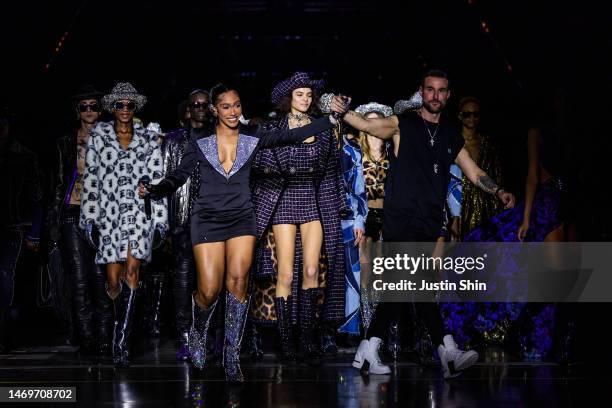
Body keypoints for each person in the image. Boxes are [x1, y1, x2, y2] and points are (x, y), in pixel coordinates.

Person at [140, 83, 346, 382]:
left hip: (241, 218)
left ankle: (231, 355)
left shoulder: (252, 137)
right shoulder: (200, 140)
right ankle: (198, 333)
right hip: (207, 219)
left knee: (237, 283)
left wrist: (332, 119)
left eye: (237, 105)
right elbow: (179, 176)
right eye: (226, 107)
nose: (234, 111)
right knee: (209, 290)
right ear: (214, 110)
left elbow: (292, 134)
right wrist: (154, 190)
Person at [336, 69, 515, 378]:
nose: (435, 95)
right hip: (401, 219)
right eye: (430, 90)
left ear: (448, 95)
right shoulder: (402, 124)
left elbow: (472, 171)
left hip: (429, 223)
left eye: (441, 90)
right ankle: (445, 348)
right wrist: (341, 110)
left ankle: (370, 347)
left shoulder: (449, 135)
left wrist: (498, 190)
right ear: (422, 91)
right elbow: (367, 125)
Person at [249, 73, 347, 364]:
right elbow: (261, 163)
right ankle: (286, 340)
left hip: (312, 201)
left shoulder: (326, 128)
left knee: (311, 270)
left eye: (308, 94)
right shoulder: (273, 127)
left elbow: (332, 169)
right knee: (286, 274)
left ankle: (306, 337)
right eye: (299, 94)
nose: (305, 99)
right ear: (288, 98)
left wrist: (339, 203)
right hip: (283, 200)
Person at [79, 82, 168, 367]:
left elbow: (156, 181)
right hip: (109, 215)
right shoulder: (100, 137)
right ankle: (120, 328)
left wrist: (159, 219)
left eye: (130, 105)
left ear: (135, 108)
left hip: (138, 216)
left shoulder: (147, 139)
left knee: (133, 272)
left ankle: (122, 343)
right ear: (112, 108)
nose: (125, 109)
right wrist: (90, 217)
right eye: (120, 105)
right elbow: (90, 180)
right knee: (113, 281)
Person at [46, 85, 112, 355]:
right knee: (79, 279)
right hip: (73, 213)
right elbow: (58, 182)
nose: (89, 111)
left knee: (102, 278)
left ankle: (106, 339)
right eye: (84, 106)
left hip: (103, 216)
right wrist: (53, 222)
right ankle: (87, 340)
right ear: (77, 111)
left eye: (94, 106)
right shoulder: (65, 142)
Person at [162, 89, 212, 360]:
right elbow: (165, 179)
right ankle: (185, 336)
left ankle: (207, 335)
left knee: (210, 282)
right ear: (188, 109)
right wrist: (164, 224)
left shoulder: (219, 139)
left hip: (212, 220)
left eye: (205, 105)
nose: (200, 108)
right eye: (195, 104)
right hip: (181, 221)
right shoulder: (172, 141)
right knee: (183, 280)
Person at [0, 107, 43, 353]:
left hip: (11, 228)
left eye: (3, 123)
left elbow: (35, 196)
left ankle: (5, 333)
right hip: (12, 226)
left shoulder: (24, 157)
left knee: (6, 280)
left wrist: (34, 232)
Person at [454, 96, 504, 239]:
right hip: (460, 204)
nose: (471, 118)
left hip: (486, 203)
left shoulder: (488, 143)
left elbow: (496, 174)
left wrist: (498, 195)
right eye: (467, 114)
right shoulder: (452, 141)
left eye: (476, 114)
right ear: (459, 116)